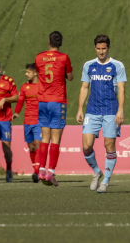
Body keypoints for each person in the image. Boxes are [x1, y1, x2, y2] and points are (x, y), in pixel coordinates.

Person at [76, 34, 127, 193]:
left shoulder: (117, 66)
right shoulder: (88, 65)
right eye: (98, 48)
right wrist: (79, 109)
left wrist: (120, 110)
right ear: (95, 48)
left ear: (109, 48)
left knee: (109, 145)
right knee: (86, 146)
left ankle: (105, 181)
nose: (101, 51)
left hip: (111, 111)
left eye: (104, 48)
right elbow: (84, 88)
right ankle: (97, 171)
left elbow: (121, 88)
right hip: (92, 111)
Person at [35, 31, 73, 187]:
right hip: (57, 101)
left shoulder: (38, 57)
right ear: (61, 43)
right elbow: (70, 77)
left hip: (43, 101)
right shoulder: (64, 58)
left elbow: (40, 73)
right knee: (56, 139)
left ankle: (41, 170)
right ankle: (50, 172)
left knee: (45, 138)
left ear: (48, 41)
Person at [12, 63, 41, 183]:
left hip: (39, 121)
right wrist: (16, 112)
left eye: (28, 72)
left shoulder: (43, 86)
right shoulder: (24, 87)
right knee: (31, 147)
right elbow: (20, 101)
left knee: (38, 145)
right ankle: (36, 168)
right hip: (27, 121)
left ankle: (37, 171)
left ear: (35, 73)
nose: (26, 74)